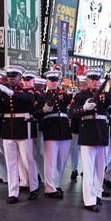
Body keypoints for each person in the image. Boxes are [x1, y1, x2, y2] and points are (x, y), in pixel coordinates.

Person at [69, 69, 111, 212]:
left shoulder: (105, 95)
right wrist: (83, 108)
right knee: (88, 168)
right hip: (87, 133)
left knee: (100, 168)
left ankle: (98, 193)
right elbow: (71, 112)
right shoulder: (81, 95)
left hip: (102, 133)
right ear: (87, 81)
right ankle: (89, 200)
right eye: (92, 80)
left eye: (97, 80)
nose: (95, 82)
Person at [0, 65, 39, 204]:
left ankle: (33, 187)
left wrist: (11, 93)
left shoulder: (27, 91)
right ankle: (13, 192)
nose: (11, 79)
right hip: (8, 127)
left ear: (20, 78)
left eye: (14, 77)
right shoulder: (2, 92)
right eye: (9, 77)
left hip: (23, 127)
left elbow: (29, 100)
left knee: (27, 159)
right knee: (11, 162)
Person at [41, 70, 72, 199]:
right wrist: (43, 109)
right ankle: (49, 188)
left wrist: (67, 89)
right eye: (51, 80)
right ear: (47, 82)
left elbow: (70, 101)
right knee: (50, 160)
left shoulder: (64, 94)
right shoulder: (43, 96)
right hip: (51, 127)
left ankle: (56, 183)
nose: (54, 83)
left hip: (63, 128)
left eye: (56, 80)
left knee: (62, 159)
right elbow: (38, 112)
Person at [69, 75, 87, 180]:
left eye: (85, 84)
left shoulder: (91, 94)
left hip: (86, 126)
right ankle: (73, 169)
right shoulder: (77, 96)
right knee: (74, 149)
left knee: (85, 151)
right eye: (82, 84)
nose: (83, 86)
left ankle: (85, 170)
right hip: (77, 125)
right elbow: (72, 111)